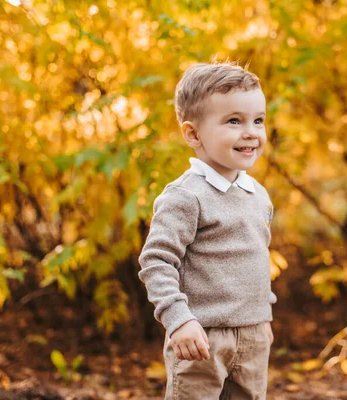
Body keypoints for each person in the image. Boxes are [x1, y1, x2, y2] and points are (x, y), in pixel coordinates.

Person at [138, 62, 276, 399]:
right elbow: (156, 262)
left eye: (258, 120)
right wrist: (179, 320)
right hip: (201, 336)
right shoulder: (185, 196)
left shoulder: (258, 194)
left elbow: (257, 256)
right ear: (193, 134)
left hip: (255, 333)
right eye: (233, 121)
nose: (251, 132)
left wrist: (263, 314)